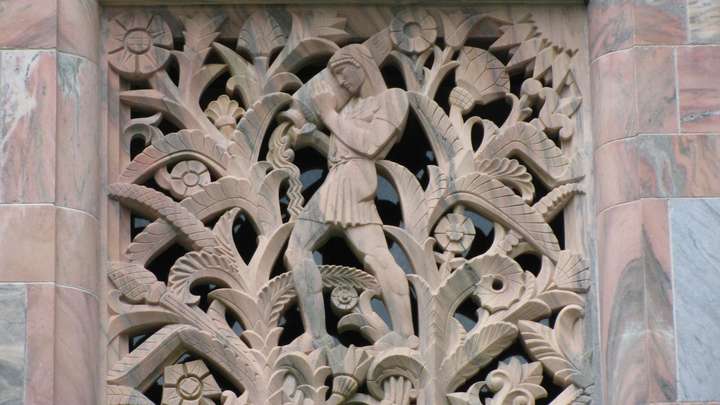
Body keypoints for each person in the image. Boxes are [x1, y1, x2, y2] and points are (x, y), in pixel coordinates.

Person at [283, 44, 414, 349]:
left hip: (355, 183)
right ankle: (316, 335)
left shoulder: (392, 100)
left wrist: (328, 113)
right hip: (338, 179)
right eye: (336, 76)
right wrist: (312, 137)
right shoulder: (351, 108)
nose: (340, 82)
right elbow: (341, 149)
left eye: (343, 73)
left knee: (377, 257)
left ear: (362, 65)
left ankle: (406, 334)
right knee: (296, 251)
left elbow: (369, 145)